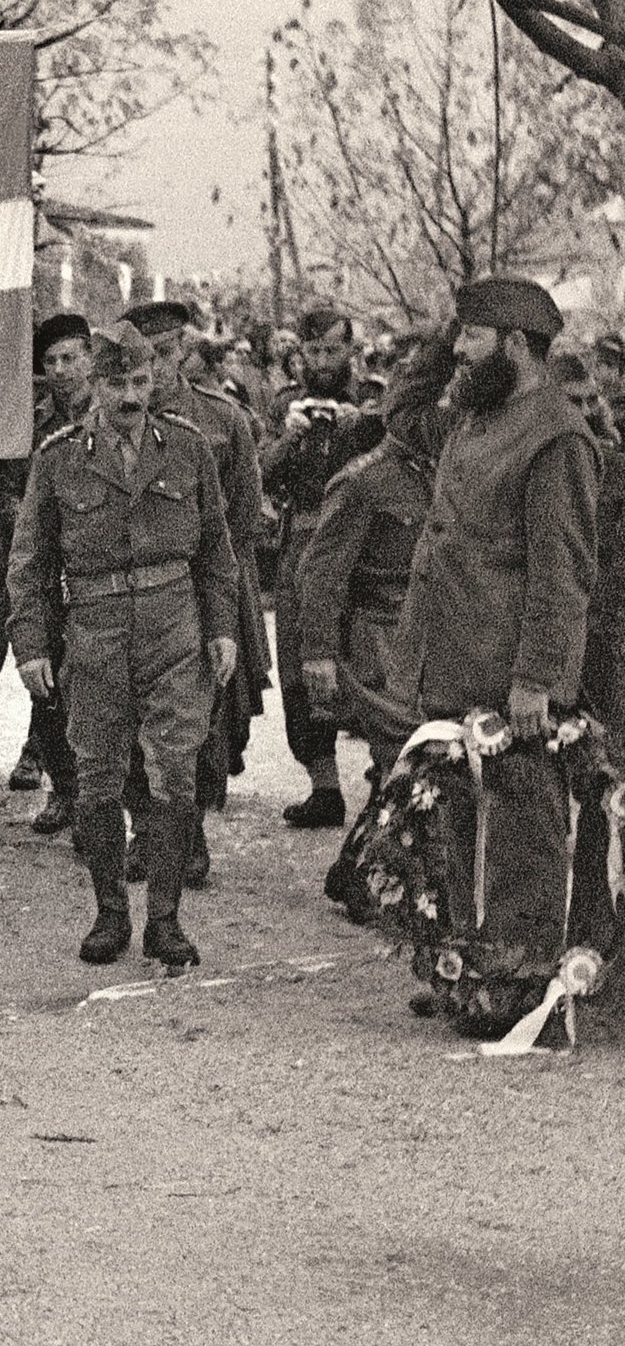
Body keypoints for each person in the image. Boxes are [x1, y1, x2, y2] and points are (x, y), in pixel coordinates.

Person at [384, 278, 599, 1028]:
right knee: (458, 822)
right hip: (451, 655)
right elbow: (402, 412)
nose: (456, 353)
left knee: (520, 832)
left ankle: (516, 985)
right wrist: (438, 337)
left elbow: (561, 571)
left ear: (513, 344)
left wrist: (539, 679)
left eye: (471, 338)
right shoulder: (477, 416)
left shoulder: (554, 436)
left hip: (509, 673)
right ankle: (464, 970)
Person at [8, 321, 239, 970]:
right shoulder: (58, 457)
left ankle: (164, 921)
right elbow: (29, 561)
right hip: (97, 628)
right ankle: (111, 914)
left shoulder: (188, 450)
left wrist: (221, 629)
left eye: (139, 381)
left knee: (174, 771)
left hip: (174, 625)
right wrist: (30, 644)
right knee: (98, 773)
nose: (130, 396)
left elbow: (218, 552)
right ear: (94, 385)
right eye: (117, 384)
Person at [298, 336, 450, 920]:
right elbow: (322, 574)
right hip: (378, 640)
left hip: (430, 638)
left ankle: (359, 872)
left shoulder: (448, 473)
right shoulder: (365, 480)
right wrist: (318, 653)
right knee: (402, 762)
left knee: (415, 765)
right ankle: (374, 878)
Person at [122, 299, 270, 888]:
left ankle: (187, 833)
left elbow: (240, 518)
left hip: (201, 591)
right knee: (130, 715)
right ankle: (147, 830)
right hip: (130, 598)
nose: (153, 370)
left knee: (200, 723)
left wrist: (221, 607)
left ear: (183, 350)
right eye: (140, 358)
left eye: (163, 354)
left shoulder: (223, 420)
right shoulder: (106, 424)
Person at [261, 304, 385, 830]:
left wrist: (363, 428)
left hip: (361, 549)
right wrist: (290, 434)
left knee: (365, 659)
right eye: (313, 350)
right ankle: (325, 786)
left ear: (351, 351)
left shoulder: (376, 402)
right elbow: (260, 473)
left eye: (333, 349)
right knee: (298, 666)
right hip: (300, 545)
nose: (322, 360)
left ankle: (387, 779)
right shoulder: (284, 404)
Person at [7, 312, 96, 834]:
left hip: (91, 557)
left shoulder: (110, 410)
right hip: (46, 557)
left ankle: (97, 800)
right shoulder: (32, 422)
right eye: (51, 361)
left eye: (71, 358)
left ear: (90, 358)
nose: (62, 370)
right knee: (47, 684)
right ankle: (66, 791)